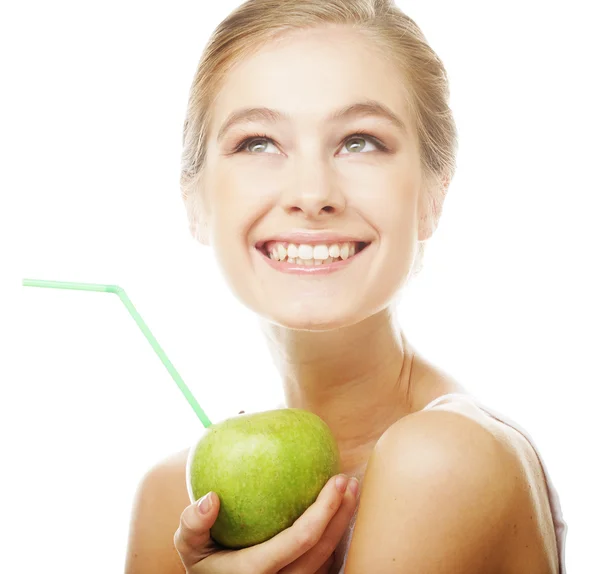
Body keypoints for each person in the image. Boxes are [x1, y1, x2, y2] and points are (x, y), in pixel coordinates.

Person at [124, 1, 567, 572]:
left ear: (434, 194)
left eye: (360, 141)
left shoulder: (440, 460)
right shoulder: (172, 496)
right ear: (194, 200)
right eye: (258, 142)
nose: (312, 192)